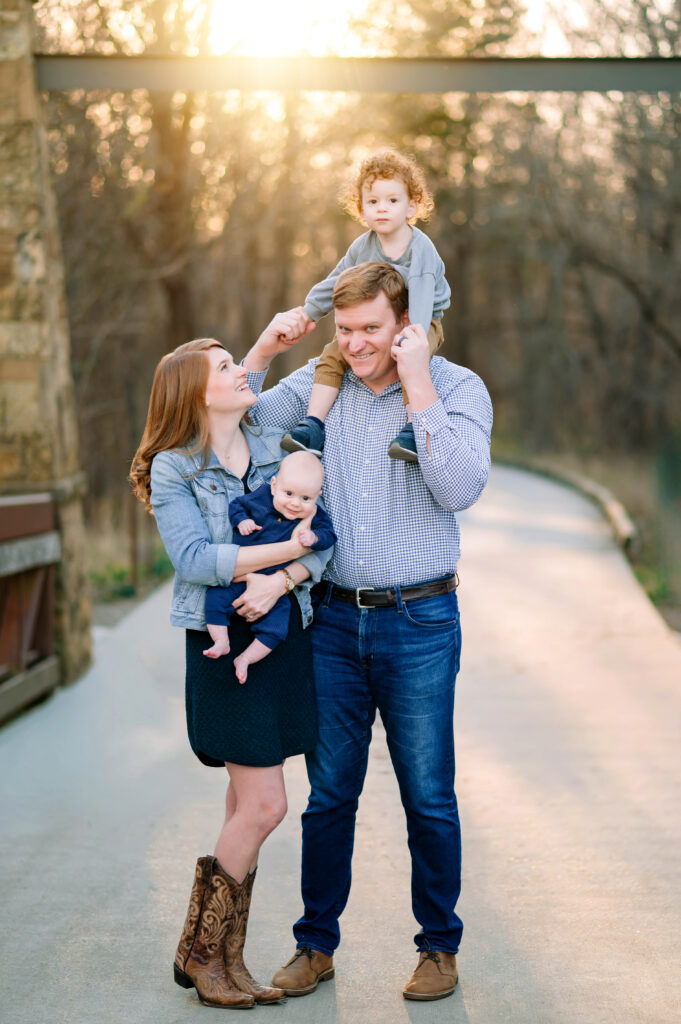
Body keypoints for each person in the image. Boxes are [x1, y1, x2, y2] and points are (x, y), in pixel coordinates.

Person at [242, 262, 493, 1002]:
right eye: (345, 330)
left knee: (428, 795)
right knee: (329, 796)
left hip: (420, 620)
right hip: (329, 622)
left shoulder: (455, 388)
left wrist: (417, 386)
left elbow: (458, 487)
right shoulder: (325, 390)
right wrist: (260, 352)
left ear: (406, 324)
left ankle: (437, 948)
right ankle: (314, 945)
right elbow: (236, 420)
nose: (353, 345)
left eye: (370, 331)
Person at [129, 329, 333, 1010]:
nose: (240, 371)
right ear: (196, 392)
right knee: (268, 804)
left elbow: (322, 538)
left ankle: (226, 958)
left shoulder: (275, 450)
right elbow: (194, 560)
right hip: (221, 646)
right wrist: (277, 558)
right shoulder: (172, 468)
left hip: (280, 637)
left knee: (244, 806)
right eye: (225, 366)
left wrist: (287, 575)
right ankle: (200, 951)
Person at [280, 150, 451, 463]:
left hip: (422, 320)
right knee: (332, 354)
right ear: (361, 208)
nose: (382, 209)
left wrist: (415, 338)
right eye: (373, 202)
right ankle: (313, 425)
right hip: (377, 322)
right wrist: (308, 312)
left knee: (409, 358)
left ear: (412, 205)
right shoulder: (363, 246)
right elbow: (337, 280)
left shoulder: (420, 248)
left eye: (392, 201)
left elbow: (424, 295)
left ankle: (413, 430)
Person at [203, 450, 337, 682]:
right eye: (289, 493)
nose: (295, 503)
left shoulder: (316, 515)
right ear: (274, 485)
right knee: (215, 599)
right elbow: (237, 505)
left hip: (275, 583)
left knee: (277, 629)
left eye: (306, 498)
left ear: (317, 496)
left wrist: (314, 538)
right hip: (241, 574)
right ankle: (221, 640)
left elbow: (329, 536)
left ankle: (245, 658)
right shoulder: (260, 497)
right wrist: (242, 520)